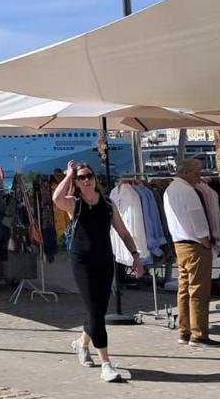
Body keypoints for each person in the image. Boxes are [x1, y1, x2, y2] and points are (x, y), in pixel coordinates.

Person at [53, 160, 144, 384]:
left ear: (95, 179)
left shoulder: (108, 204)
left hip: (104, 261)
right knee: (95, 310)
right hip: (81, 261)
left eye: (89, 176)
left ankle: (82, 344)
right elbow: (56, 199)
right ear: (76, 182)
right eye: (81, 178)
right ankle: (106, 364)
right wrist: (68, 175)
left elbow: (123, 232)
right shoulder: (75, 203)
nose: (86, 180)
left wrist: (135, 256)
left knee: (99, 310)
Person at [164, 158, 216, 347]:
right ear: (185, 173)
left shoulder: (169, 190)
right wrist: (206, 242)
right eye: (196, 172)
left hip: (179, 243)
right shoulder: (188, 191)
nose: (199, 176)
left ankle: (184, 331)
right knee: (199, 291)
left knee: (184, 289)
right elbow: (197, 219)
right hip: (194, 244)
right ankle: (199, 333)